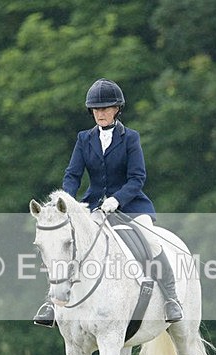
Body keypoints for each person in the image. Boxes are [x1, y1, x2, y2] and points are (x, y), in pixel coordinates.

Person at [34, 78, 183, 327]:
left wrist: (117, 199)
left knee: (152, 241)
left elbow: (137, 178)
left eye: (105, 108)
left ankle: (171, 299)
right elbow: (72, 175)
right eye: (96, 109)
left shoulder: (130, 138)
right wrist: (66, 202)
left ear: (116, 110)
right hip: (94, 207)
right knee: (66, 245)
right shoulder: (84, 139)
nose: (100, 113)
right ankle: (53, 303)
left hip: (132, 206)